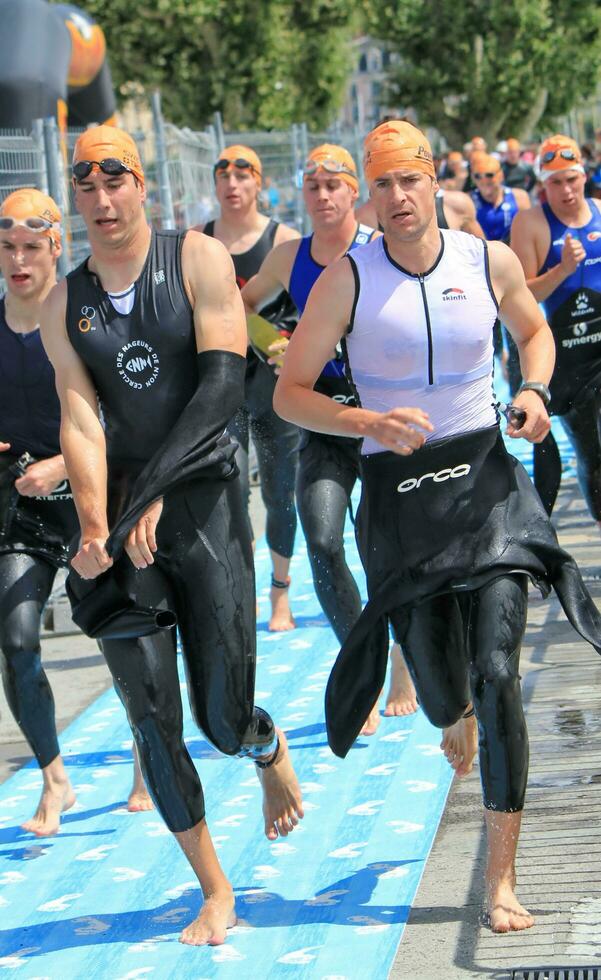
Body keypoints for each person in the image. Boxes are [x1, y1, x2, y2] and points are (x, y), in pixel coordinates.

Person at [273, 119, 601, 933]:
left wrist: (531, 391)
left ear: (430, 183)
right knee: (444, 698)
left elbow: (533, 329)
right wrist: (366, 422)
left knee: (497, 675)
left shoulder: (481, 260)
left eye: (408, 180)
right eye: (380, 184)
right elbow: (290, 392)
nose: (396, 197)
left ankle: (498, 882)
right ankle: (445, 714)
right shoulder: (343, 280)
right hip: (399, 504)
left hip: (485, 486)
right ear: (368, 197)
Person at [41, 125, 303, 946]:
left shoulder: (195, 260)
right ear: (77, 198)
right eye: (86, 187)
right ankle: (215, 888)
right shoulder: (64, 300)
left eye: (115, 182)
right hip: (124, 524)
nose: (102, 200)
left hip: (205, 507)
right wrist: (94, 526)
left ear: (141, 186)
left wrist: (154, 492)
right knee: (150, 714)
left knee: (219, 719)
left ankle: (264, 746)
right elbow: (81, 414)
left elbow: (224, 387)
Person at [242, 143, 420, 734]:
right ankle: (365, 670)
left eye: (333, 185)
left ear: (354, 194)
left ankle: (401, 659)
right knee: (321, 540)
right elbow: (240, 307)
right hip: (323, 425)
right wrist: (275, 341)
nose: (321, 196)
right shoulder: (289, 256)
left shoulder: (378, 253)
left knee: (386, 551)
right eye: (312, 186)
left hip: (381, 426)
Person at [0, 189, 80, 836]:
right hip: (21, 511)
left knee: (123, 636)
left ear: (56, 247)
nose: (18, 260)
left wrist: (63, 464)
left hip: (86, 499)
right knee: (18, 639)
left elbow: (118, 409)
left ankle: (146, 756)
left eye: (31, 247)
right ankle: (54, 778)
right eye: (7, 248)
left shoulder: (82, 317)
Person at [197, 144, 300, 631]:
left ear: (259, 183)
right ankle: (243, 583)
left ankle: (280, 591)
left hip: (274, 384)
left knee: (281, 492)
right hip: (222, 384)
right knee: (230, 489)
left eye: (243, 176)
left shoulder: (285, 240)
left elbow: (316, 310)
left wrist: (289, 347)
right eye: (224, 176)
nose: (233, 185)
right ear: (215, 184)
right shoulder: (197, 241)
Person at [511, 134, 601, 526]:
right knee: (575, 456)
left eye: (571, 179)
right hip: (557, 360)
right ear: (543, 185)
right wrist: (562, 269)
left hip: (598, 355)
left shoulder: (600, 211)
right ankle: (541, 549)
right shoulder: (531, 223)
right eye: (555, 182)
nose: (565, 190)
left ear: (584, 176)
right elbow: (520, 296)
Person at [471, 154, 530, 242]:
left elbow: (528, 231)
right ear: (473, 178)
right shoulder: (468, 200)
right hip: (484, 253)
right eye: (477, 176)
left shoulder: (519, 197)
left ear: (501, 175)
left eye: (489, 175)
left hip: (513, 251)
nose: (484, 179)